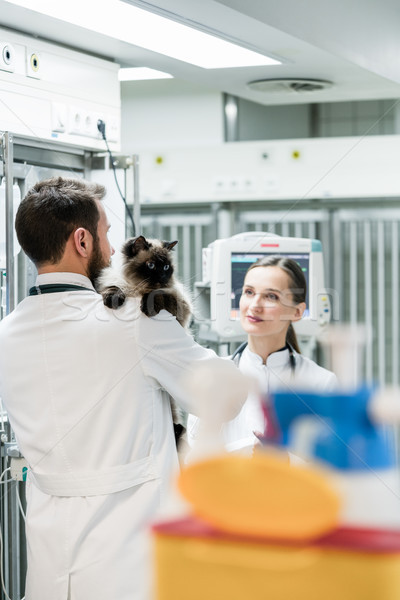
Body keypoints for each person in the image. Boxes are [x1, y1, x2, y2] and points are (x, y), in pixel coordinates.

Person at [0, 176, 247, 600]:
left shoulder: (6, 334)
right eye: (106, 234)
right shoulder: (134, 322)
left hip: (47, 571)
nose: (113, 249)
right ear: (82, 240)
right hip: (131, 569)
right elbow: (226, 395)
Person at [187, 255, 337, 456]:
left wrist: (284, 459)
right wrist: (246, 450)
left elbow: (328, 464)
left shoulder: (322, 384)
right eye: (249, 292)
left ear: (297, 312)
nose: (255, 305)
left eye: (271, 296)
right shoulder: (216, 377)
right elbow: (196, 459)